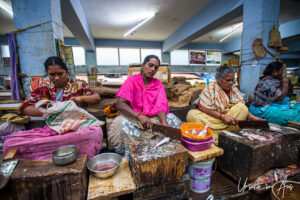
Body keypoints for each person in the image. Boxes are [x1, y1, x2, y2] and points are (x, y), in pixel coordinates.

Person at [4, 56, 103, 160]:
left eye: (60, 74)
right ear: (47, 73)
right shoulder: (44, 88)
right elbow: (25, 108)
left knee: (95, 132)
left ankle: (57, 149)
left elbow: (96, 98)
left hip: (76, 127)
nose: (56, 78)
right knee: (10, 143)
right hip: (53, 130)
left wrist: (81, 98)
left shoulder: (77, 85)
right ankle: (61, 149)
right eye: (52, 74)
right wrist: (49, 112)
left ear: (66, 72)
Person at [107, 55, 181, 155]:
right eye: (150, 65)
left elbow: (161, 105)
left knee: (173, 119)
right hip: (133, 118)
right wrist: (139, 116)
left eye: (156, 68)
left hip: (152, 119)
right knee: (120, 124)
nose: (153, 69)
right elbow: (120, 104)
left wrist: (164, 123)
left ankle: (156, 146)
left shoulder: (158, 84)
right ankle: (135, 151)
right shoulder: (131, 81)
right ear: (143, 65)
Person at [187, 67, 262, 144]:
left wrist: (254, 118)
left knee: (242, 107)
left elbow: (242, 107)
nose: (231, 83)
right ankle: (222, 133)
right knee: (192, 114)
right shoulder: (211, 87)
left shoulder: (233, 89)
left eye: (232, 80)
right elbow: (202, 107)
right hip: (213, 118)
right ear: (219, 79)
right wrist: (222, 117)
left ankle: (218, 133)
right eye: (228, 80)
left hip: (228, 119)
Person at [250, 61, 300, 126]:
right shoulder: (267, 82)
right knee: (291, 114)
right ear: (275, 72)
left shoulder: (275, 80)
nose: (282, 73)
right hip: (260, 108)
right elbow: (280, 97)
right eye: (281, 70)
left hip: (273, 105)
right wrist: (285, 83)